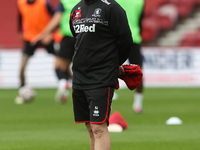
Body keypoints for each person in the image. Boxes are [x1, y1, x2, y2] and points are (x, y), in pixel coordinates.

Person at [69, 0, 133, 150]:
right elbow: (77, 38)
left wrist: (112, 64)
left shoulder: (112, 8)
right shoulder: (76, 9)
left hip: (101, 77)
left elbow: (126, 41)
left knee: (98, 127)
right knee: (90, 128)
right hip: (79, 76)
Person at [31, 0, 80, 103]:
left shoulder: (65, 2)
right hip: (84, 37)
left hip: (68, 37)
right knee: (82, 68)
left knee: (60, 66)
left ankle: (64, 85)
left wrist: (42, 35)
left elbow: (56, 20)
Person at [16, 0, 55, 102]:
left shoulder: (44, 2)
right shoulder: (21, 3)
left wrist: (51, 34)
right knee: (22, 67)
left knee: (62, 61)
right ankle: (22, 90)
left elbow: (56, 16)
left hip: (44, 36)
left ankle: (71, 85)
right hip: (30, 38)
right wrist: (20, 32)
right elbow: (20, 18)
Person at [116, 0, 145, 113]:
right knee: (138, 71)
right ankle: (138, 104)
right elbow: (140, 21)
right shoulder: (139, 2)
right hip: (134, 38)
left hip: (117, 38)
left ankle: (108, 96)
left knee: (109, 68)